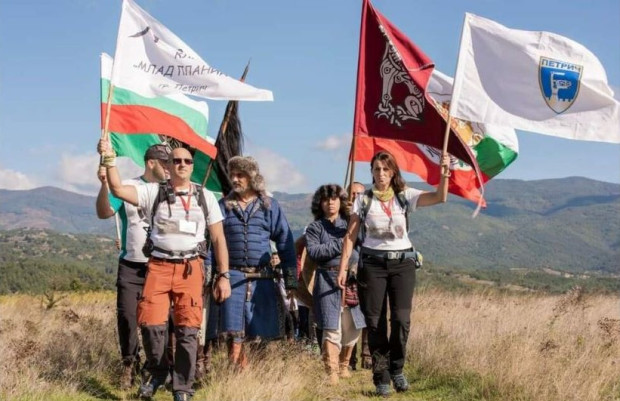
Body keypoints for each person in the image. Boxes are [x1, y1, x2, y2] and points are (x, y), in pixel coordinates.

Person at [98, 139, 231, 401]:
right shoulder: (152, 191)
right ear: (168, 166)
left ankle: (182, 387)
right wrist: (109, 158)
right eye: (176, 160)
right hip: (158, 266)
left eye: (187, 161)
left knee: (187, 330)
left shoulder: (205, 197)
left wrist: (223, 276)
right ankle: (158, 372)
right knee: (150, 324)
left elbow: (218, 239)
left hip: (190, 269)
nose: (182, 164)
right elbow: (117, 188)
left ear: (192, 167)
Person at [337, 150, 450, 397]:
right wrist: (344, 267)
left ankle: (397, 368)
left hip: (402, 264)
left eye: (385, 169)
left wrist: (444, 173)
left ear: (393, 172)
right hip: (372, 264)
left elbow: (440, 197)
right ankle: (381, 377)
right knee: (375, 322)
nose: (381, 174)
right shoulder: (363, 199)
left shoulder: (404, 196)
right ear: (372, 172)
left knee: (401, 320)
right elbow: (350, 235)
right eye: (376, 169)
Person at [208, 155, 297, 369]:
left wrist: (292, 281)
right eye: (233, 175)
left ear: (252, 178)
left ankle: (259, 378)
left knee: (261, 335)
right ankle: (236, 376)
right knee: (233, 334)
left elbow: (285, 242)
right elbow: (212, 242)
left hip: (263, 279)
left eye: (241, 175)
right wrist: (211, 275)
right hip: (232, 278)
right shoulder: (222, 206)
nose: (235, 179)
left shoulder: (269, 206)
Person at [95, 143, 170, 390]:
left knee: (157, 322)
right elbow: (104, 212)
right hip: (131, 265)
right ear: (151, 163)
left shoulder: (172, 190)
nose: (170, 168)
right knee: (127, 317)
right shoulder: (129, 186)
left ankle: (157, 367)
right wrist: (105, 184)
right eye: (165, 163)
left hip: (160, 265)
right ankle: (129, 364)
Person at [305, 184, 366, 385]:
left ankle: (344, 364)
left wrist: (355, 226)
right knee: (331, 326)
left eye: (334, 198)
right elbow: (315, 252)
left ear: (341, 201)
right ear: (320, 204)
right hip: (326, 280)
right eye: (326, 199)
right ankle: (331, 370)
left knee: (352, 326)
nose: (330, 202)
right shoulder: (315, 228)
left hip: (352, 280)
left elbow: (362, 244)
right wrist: (341, 243)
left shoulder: (350, 224)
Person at [345, 182, 373, 372]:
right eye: (353, 194)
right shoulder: (339, 216)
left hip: (370, 268)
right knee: (351, 312)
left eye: (359, 194)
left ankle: (368, 355)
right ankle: (349, 357)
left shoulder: (371, 216)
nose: (355, 197)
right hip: (347, 271)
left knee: (370, 312)